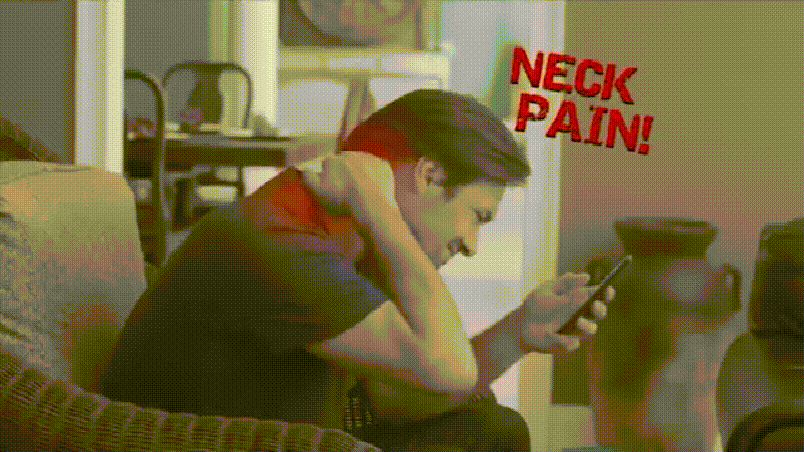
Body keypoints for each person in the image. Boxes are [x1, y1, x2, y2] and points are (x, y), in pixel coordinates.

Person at [101, 89, 611, 452]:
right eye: (478, 216)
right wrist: (378, 208)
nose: (473, 246)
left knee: (492, 430)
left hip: (297, 437)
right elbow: (448, 369)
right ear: (429, 175)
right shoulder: (277, 243)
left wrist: (520, 331)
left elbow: (392, 398)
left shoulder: (347, 245)